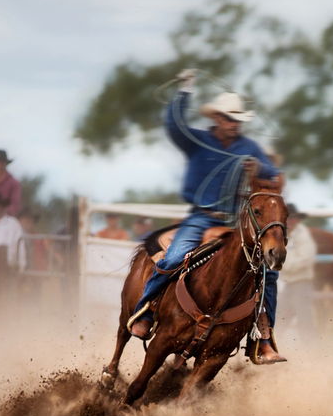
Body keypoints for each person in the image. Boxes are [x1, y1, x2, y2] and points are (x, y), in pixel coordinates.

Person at [127, 71, 285, 364]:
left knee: (268, 273)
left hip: (233, 224)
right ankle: (146, 311)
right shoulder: (198, 141)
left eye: (237, 121)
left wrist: (262, 170)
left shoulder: (248, 148)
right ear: (217, 119)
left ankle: (263, 337)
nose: (234, 125)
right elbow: (174, 127)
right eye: (229, 119)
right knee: (173, 259)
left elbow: (272, 174)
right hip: (201, 217)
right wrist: (185, 91)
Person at [279, 204, 317, 340]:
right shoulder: (283, 234)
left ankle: (310, 350)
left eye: (293, 219)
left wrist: (284, 265)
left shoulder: (302, 234)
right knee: (281, 317)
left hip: (301, 283)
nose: (291, 221)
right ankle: (277, 346)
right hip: (290, 283)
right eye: (288, 219)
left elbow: (306, 258)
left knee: (303, 319)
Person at [0, 149, 22, 218]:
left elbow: (15, 204)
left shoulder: (14, 183)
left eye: (2, 162)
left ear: (6, 163)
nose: (0, 164)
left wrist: (0, 213)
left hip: (6, 218)